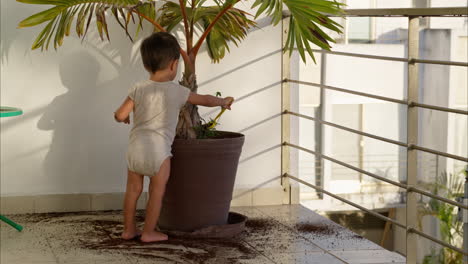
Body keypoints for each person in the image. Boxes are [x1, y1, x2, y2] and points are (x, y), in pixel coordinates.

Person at [114, 32, 233, 243]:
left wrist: (124, 119)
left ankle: (128, 230)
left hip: (135, 149)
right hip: (159, 153)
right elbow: (204, 99)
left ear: (146, 65)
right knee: (156, 193)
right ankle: (149, 232)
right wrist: (223, 101)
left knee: (133, 191)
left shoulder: (138, 89)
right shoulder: (178, 91)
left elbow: (120, 114)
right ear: (173, 65)